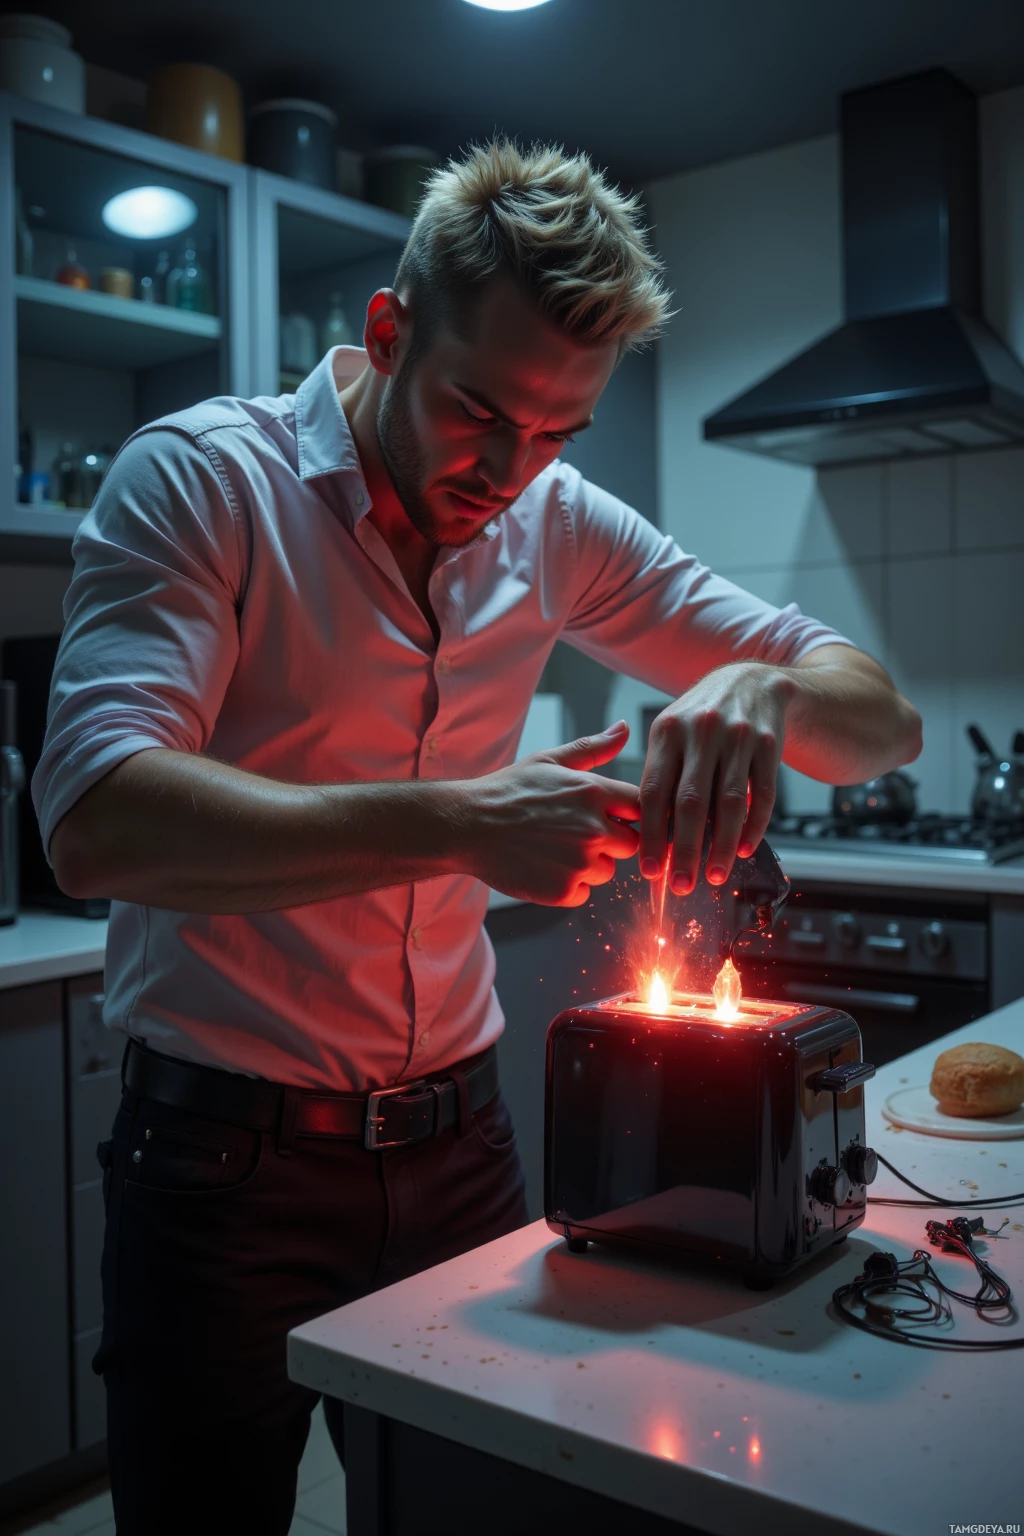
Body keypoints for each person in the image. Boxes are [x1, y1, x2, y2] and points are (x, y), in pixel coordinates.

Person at [34, 138, 920, 1535]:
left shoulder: (553, 521)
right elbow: (96, 820)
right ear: (388, 332)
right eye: (481, 412)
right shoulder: (206, 481)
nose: (511, 470)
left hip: (467, 1156)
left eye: (558, 433)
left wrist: (758, 680)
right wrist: (463, 820)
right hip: (223, 1173)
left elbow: (881, 722)